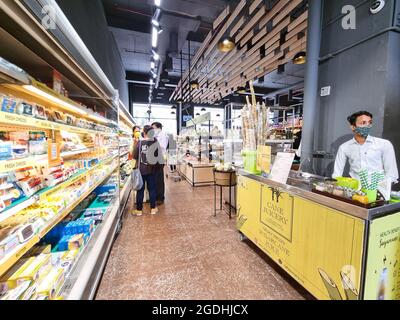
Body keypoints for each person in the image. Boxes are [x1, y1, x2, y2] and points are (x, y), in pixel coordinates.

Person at [332, 111, 398, 183]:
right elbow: (337, 175)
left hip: (378, 190)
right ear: (353, 127)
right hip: (355, 190)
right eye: (363, 123)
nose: (367, 125)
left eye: (369, 122)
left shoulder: (384, 144)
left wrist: (382, 189)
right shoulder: (344, 147)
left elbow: (392, 174)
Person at [131, 125, 160, 216]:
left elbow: (134, 156)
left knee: (140, 189)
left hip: (141, 170)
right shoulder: (155, 141)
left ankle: (139, 210)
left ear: (144, 132)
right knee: (152, 189)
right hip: (152, 169)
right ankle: (153, 209)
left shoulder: (139, 142)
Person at [151, 122, 168, 204]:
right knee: (156, 177)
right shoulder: (156, 135)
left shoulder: (162, 135)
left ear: (158, 128)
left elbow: (162, 147)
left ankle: (160, 198)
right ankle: (157, 196)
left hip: (159, 158)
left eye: (153, 128)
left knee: (159, 178)